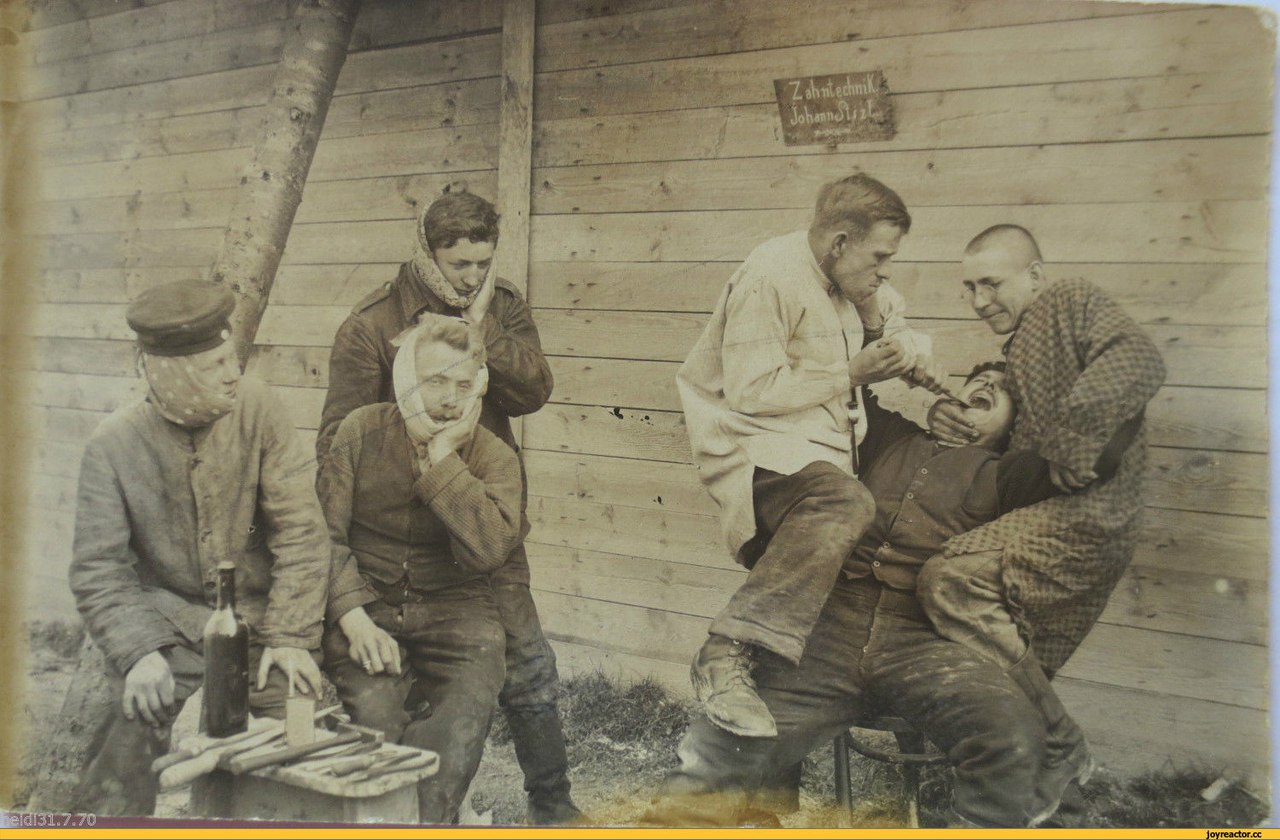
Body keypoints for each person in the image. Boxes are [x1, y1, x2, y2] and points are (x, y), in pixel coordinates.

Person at [317, 188, 579, 824]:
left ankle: (554, 806)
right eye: (459, 265)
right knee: (401, 686)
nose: (472, 277)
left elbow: (535, 389)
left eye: (483, 263)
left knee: (529, 663)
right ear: (428, 253)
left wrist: (483, 323)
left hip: (480, 506)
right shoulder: (373, 323)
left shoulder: (501, 307)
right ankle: (408, 805)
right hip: (401, 520)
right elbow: (335, 438)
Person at [675, 173, 942, 739]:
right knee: (844, 504)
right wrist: (850, 372)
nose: (883, 270)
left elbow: (892, 315)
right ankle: (723, 651)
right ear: (839, 242)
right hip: (752, 447)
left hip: (813, 451)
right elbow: (752, 393)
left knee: (793, 640)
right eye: (879, 256)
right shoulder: (770, 276)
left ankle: (764, 805)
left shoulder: (846, 278)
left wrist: (908, 349)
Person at [928, 224, 1165, 819]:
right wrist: (964, 415)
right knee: (1013, 661)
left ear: (1035, 275)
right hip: (1050, 516)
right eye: (969, 287)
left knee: (948, 581)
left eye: (992, 283)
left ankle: (1060, 747)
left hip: (1092, 514)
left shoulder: (1068, 299)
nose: (980, 301)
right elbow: (1016, 401)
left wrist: (1073, 439)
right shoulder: (1020, 341)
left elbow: (1138, 358)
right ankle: (1057, 804)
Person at [67, 280, 330, 816]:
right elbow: (99, 572)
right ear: (173, 375)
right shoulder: (112, 447)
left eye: (232, 358)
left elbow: (301, 530)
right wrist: (139, 652)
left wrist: (290, 636)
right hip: (168, 631)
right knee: (130, 733)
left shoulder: (260, 410)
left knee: (305, 734)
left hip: (261, 628)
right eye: (215, 366)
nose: (234, 373)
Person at [320, 315, 518, 824]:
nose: (450, 399)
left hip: (458, 609)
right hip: (369, 603)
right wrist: (353, 617)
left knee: (462, 720)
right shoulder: (361, 430)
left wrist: (444, 459)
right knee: (376, 719)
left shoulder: (493, 455)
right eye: (435, 381)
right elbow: (322, 537)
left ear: (479, 386)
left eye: (463, 384)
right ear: (407, 377)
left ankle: (429, 821)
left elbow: (491, 549)